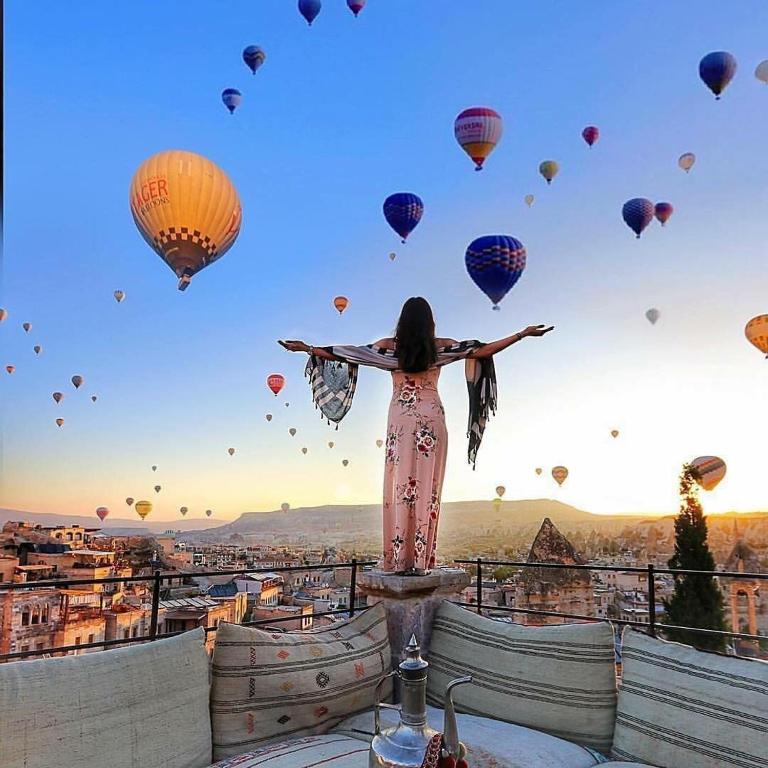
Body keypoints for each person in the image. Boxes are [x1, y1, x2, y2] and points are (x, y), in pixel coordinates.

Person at [279, 297, 553, 574]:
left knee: (399, 486)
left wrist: (307, 349)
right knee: (427, 488)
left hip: (400, 421)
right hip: (432, 420)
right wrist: (522, 334)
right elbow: (482, 351)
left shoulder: (388, 348)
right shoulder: (441, 347)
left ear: (402, 320)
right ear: (430, 322)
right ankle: (422, 560)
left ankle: (398, 559)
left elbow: (346, 353)